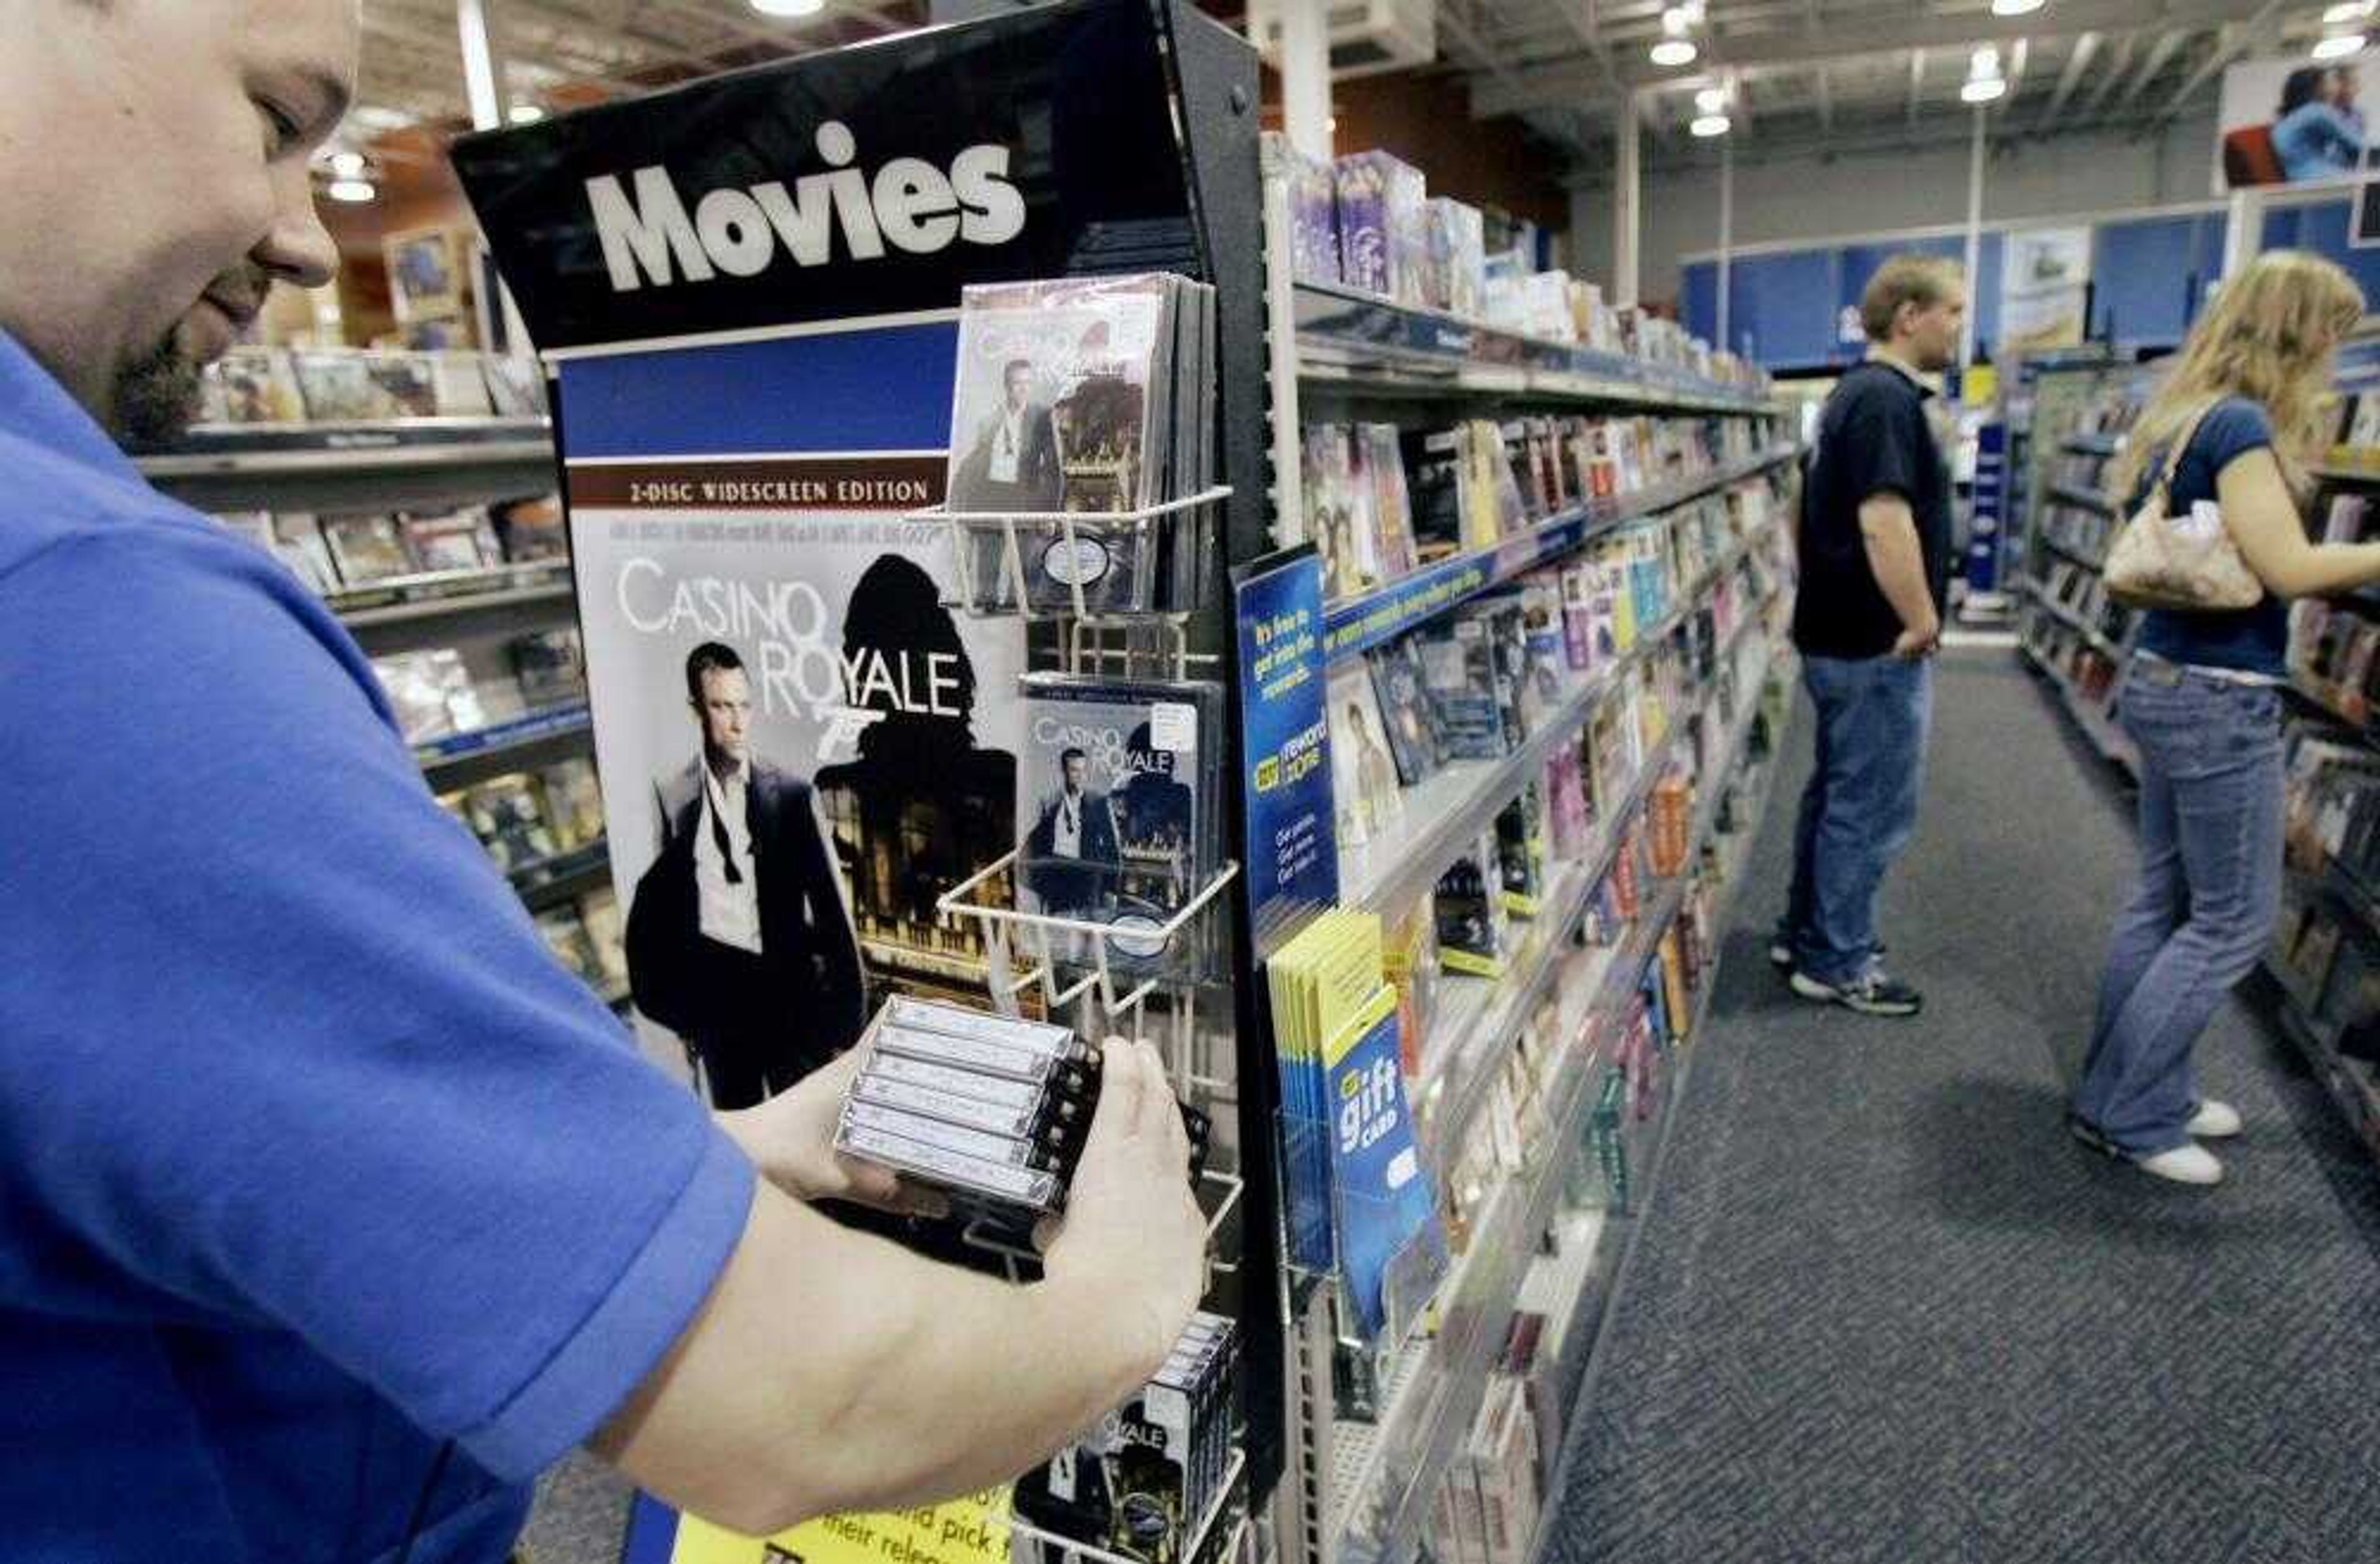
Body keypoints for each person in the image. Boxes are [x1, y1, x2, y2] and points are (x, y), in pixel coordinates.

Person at [0, 2, 1207, 1557]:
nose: (309, 240)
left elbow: (196, 1149)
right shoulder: (80, 620)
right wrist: (1130, 1292)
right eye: (274, 115)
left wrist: (709, 1160)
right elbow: (791, 1406)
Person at [2070, 251, 2380, 1187]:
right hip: (2216, 694)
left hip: (2169, 676)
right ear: (2295, 333)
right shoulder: (2242, 425)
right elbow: (2288, 570)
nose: (2338, 354)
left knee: (2165, 901)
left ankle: (2129, 1085)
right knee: (2233, 919)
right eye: (2332, 333)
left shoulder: (2182, 416)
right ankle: (2131, 1109)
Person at [1772, 254, 1964, 1017]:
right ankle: (1838, 959)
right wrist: (1921, 618)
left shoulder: (1846, 396)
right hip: (1875, 643)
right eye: (1951, 311)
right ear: (1909, 314)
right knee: (1870, 807)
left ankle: (1807, 934)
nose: (1957, 327)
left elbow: (1799, 506)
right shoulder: (1887, 401)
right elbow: (1884, 522)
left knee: (1835, 796)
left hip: (1834, 634)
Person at [628, 642, 867, 1109]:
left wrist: (847, 1027)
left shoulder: (792, 793)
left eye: (744, 706)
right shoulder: (674, 794)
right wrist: (686, 1019)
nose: (737, 721)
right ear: (696, 709)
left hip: (790, 999)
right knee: (741, 1144)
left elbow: (832, 913)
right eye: (721, 706)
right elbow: (668, 916)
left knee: (806, 1133)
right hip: (719, 1005)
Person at [951, 356, 1062, 512]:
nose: (1024, 389)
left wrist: (1050, 513)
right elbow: (973, 464)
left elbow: (1053, 469)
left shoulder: (1042, 417)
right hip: (989, 499)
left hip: (1023, 501)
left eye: (1028, 383)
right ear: (1006, 386)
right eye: (1018, 383)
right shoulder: (990, 418)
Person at [1026, 747, 1124, 916]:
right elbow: (1037, 843)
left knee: (1086, 929)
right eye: (1074, 770)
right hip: (1057, 876)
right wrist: (1040, 883)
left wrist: (1111, 887)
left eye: (1083, 770)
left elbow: (1112, 847)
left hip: (1086, 877)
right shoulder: (1050, 801)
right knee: (1058, 928)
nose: (1079, 775)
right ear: (1064, 771)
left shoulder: (1098, 802)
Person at [2272, 66, 2366, 185]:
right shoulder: (2318, 111)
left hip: (2296, 177)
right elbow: (2357, 143)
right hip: (2318, 178)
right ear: (2318, 88)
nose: (2336, 88)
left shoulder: (2288, 118)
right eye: (2330, 83)